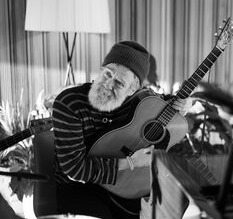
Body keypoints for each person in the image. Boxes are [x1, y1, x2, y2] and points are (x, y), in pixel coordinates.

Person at [52, 41, 192, 219]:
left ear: (133, 88)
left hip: (127, 182)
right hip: (81, 187)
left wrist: (183, 103)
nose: (108, 84)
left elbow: (163, 103)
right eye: (107, 73)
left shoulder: (139, 100)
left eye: (119, 82)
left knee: (175, 202)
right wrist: (130, 162)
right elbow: (74, 169)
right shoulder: (69, 103)